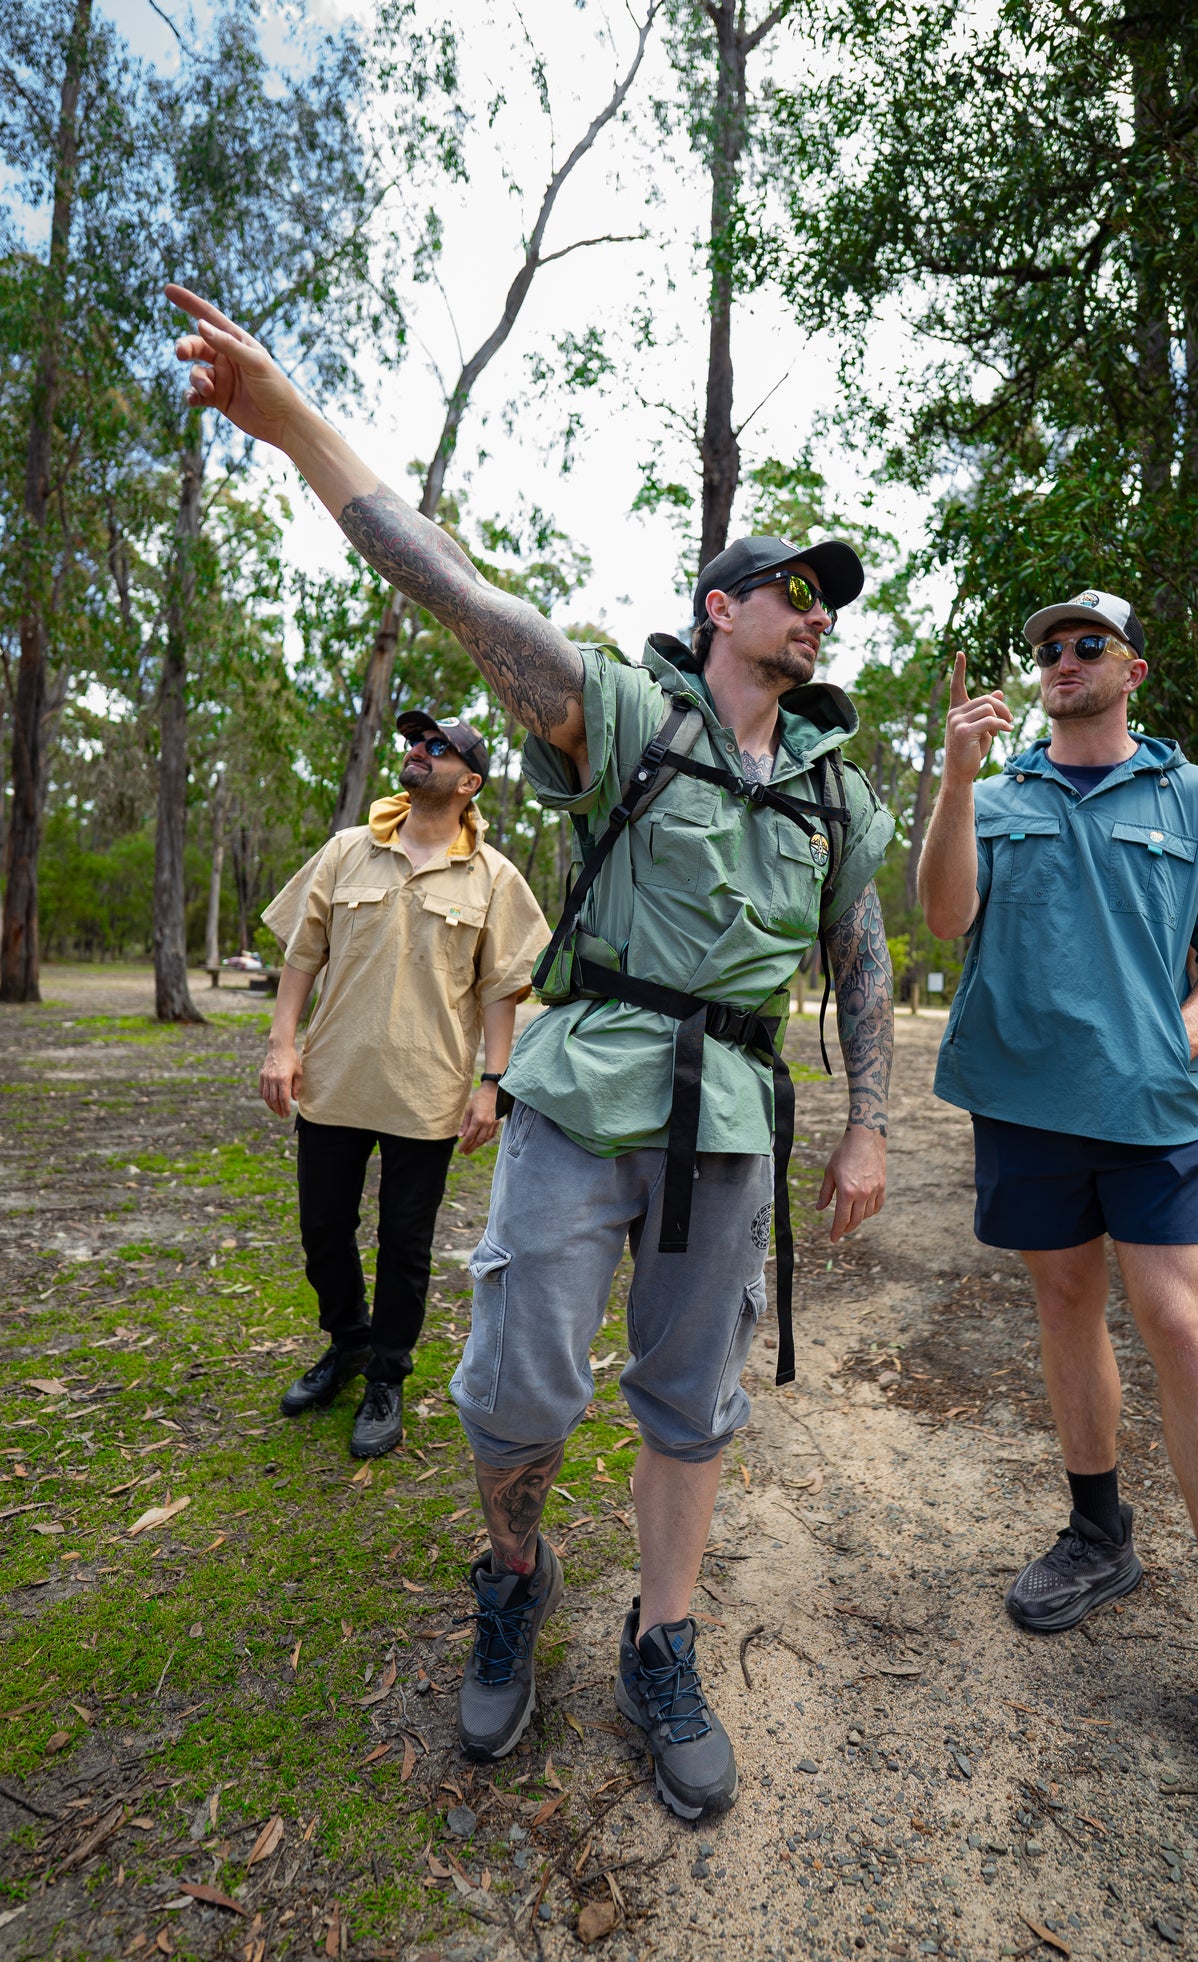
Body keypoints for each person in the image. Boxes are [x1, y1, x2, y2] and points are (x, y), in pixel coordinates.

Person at [168, 284, 896, 1821]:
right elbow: (451, 587)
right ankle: (514, 1572)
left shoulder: (837, 792)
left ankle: (665, 1634)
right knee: (516, 1391)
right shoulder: (623, 714)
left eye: (825, 596)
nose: (812, 609)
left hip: (732, 1124)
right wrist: (293, 420)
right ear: (720, 610)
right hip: (584, 1095)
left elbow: (864, 956)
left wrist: (869, 1120)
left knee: (692, 1396)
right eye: (786, 587)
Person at [918, 588, 1198, 1800]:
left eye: (1084, 644)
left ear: (1129, 669)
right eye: (1045, 646)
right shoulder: (994, 798)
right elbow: (945, 918)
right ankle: (1099, 1534)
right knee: (1062, 1306)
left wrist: (1186, 1034)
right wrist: (951, 777)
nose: (1059, 659)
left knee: (1181, 1324)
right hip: (1023, 1100)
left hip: (1146, 1109)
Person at [258, 711, 549, 1461]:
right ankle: (348, 1343)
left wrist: (493, 1085)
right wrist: (281, 1045)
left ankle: (387, 1374)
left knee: (405, 1243)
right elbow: (301, 956)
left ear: (469, 781)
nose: (416, 753)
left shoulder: (494, 877)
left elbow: (503, 991)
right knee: (322, 1228)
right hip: (334, 1078)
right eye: (414, 743)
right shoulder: (348, 851)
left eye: (436, 747)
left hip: (428, 1092)